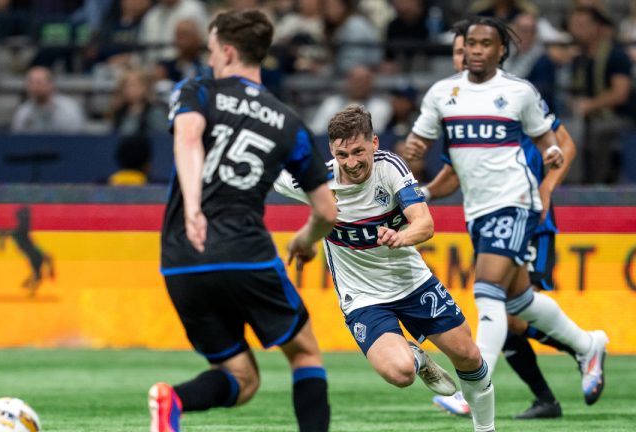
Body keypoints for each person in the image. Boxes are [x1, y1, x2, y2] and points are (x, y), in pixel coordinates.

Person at [402, 16, 608, 416]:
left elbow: (552, 139)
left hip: (516, 202)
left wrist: (550, 162)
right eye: (469, 44)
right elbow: (425, 149)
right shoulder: (443, 94)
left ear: (501, 50)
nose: (475, 51)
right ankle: (588, 344)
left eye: (484, 43)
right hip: (477, 210)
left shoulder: (518, 92)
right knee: (517, 303)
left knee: (487, 291)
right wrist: (414, 161)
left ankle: (475, 388)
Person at [150, 10, 337, 432]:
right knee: (305, 353)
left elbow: (188, 136)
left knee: (242, 378)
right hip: (246, 253)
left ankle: (173, 401)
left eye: (213, 50)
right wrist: (306, 240)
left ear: (229, 50)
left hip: (180, 257)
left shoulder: (195, 90)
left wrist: (194, 210)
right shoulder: (290, 122)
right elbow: (327, 211)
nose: (210, 59)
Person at [275, 105, 496, 432]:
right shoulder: (317, 181)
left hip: (412, 284)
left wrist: (401, 236)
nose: (351, 163)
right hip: (363, 298)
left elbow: (424, 223)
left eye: (358, 151)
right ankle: (418, 359)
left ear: (374, 143)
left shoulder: (390, 168)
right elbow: (273, 171)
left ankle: (485, 429)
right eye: (342, 154)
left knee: (469, 356)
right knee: (400, 372)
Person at [567, 6, 636, 183]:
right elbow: (574, 90)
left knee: (597, 131)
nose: (577, 29)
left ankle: (594, 186)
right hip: (588, 117)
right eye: (574, 24)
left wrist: (590, 105)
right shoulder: (580, 59)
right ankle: (567, 184)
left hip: (621, 117)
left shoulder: (616, 54)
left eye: (582, 24)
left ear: (596, 27)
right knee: (564, 129)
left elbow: (620, 93)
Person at [11, 66, 87, 134]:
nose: (35, 86)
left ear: (51, 84)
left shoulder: (69, 109)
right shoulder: (23, 112)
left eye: (39, 82)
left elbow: (76, 139)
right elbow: (18, 141)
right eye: (31, 83)